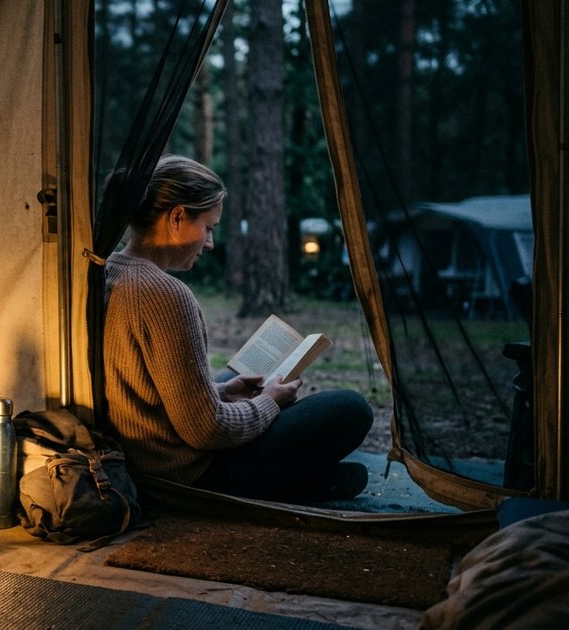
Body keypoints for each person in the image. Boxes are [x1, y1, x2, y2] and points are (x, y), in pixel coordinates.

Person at [102, 154, 374, 503]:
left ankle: (307, 479)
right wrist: (269, 402)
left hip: (141, 458)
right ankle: (296, 482)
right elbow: (206, 430)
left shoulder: (110, 268)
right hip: (185, 475)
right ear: (177, 217)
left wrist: (224, 392)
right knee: (350, 408)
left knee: (225, 382)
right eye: (209, 228)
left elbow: (145, 388)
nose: (210, 243)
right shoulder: (166, 294)